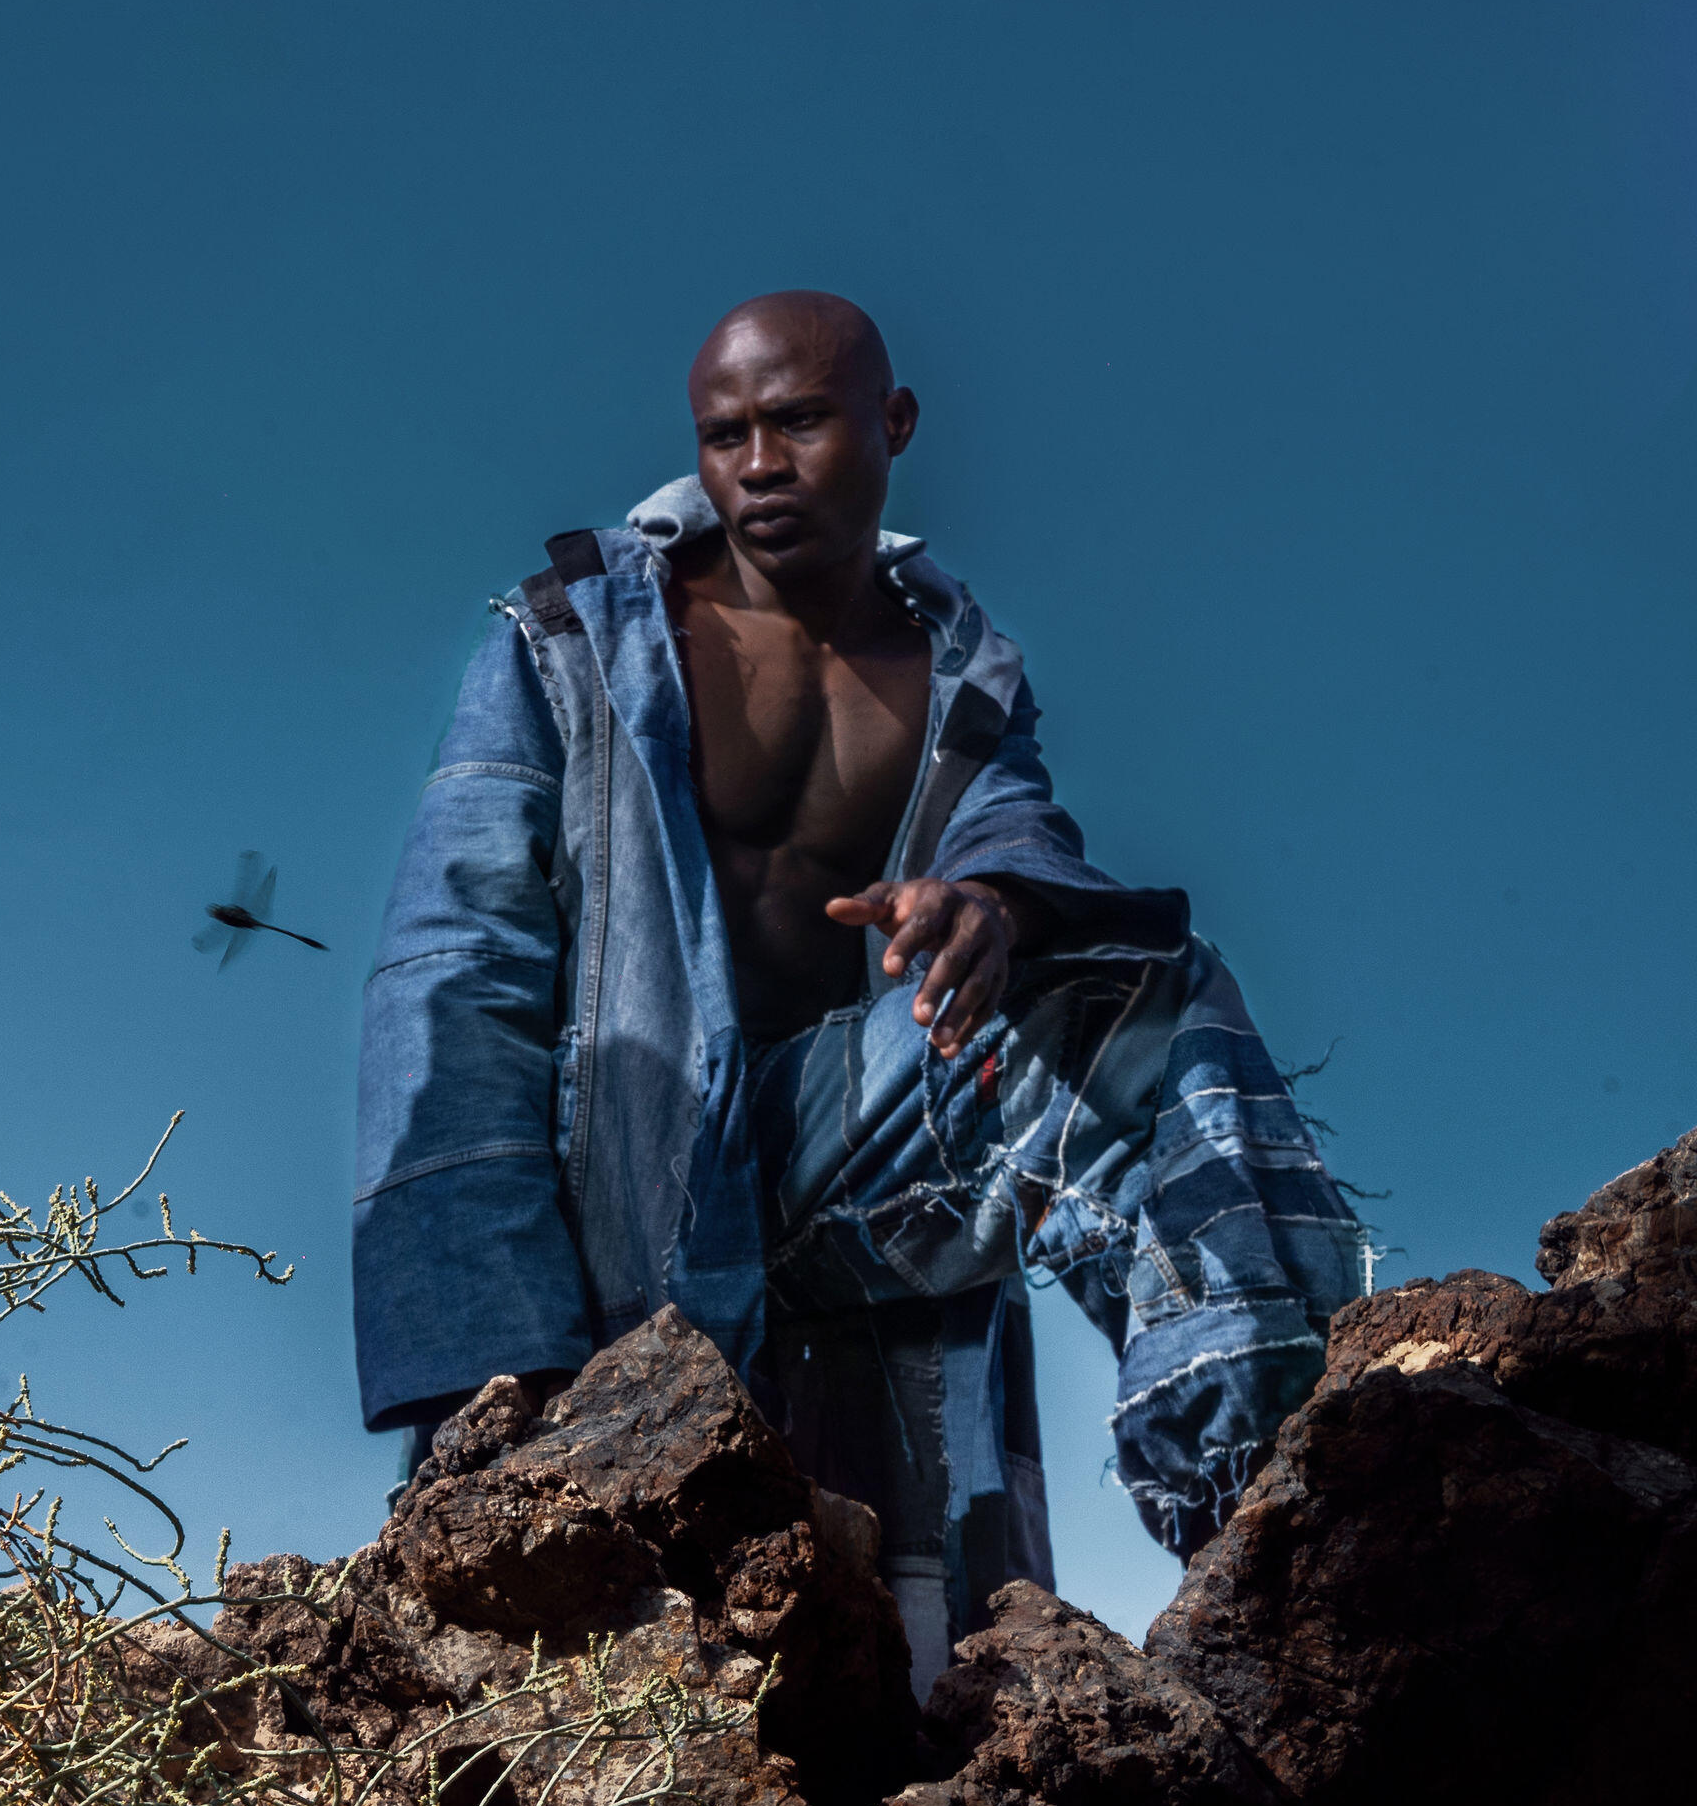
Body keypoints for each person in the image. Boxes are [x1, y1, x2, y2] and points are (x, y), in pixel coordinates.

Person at [352, 292, 1361, 1688]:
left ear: (892, 423)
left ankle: (1274, 1515)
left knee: (1143, 1002)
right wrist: (499, 1363)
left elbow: (1018, 834)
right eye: (726, 435)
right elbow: (457, 966)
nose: (761, 463)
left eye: (800, 421)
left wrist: (997, 903)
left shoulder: (960, 669)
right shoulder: (574, 641)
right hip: (638, 1188)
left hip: (854, 1153)